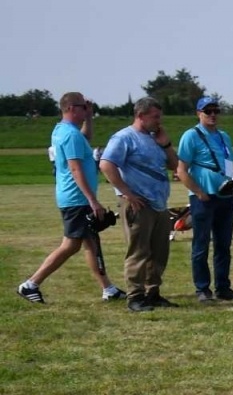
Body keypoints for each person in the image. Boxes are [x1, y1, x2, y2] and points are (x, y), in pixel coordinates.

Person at [17, 92, 126, 304]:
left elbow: (85, 139)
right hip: (77, 199)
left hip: (72, 196)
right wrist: (92, 200)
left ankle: (108, 289)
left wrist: (89, 118)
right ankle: (31, 284)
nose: (86, 110)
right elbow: (75, 168)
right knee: (71, 245)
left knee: (91, 243)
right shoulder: (70, 135)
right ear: (70, 108)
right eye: (83, 107)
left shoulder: (63, 130)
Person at [99, 97, 180, 312]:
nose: (158, 121)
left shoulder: (155, 138)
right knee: (138, 251)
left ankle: (153, 293)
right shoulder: (124, 137)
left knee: (159, 252)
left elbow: (175, 165)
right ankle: (135, 296)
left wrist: (166, 144)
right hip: (138, 204)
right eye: (155, 117)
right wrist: (127, 193)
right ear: (140, 115)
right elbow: (106, 164)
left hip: (159, 204)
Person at [175, 96, 233, 303]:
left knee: (223, 245)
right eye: (208, 111)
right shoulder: (191, 136)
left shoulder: (224, 137)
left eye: (216, 111)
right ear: (199, 114)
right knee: (201, 244)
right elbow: (182, 170)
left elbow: (228, 163)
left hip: (226, 195)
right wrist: (198, 192)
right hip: (204, 197)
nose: (213, 115)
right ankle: (202, 288)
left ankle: (223, 287)